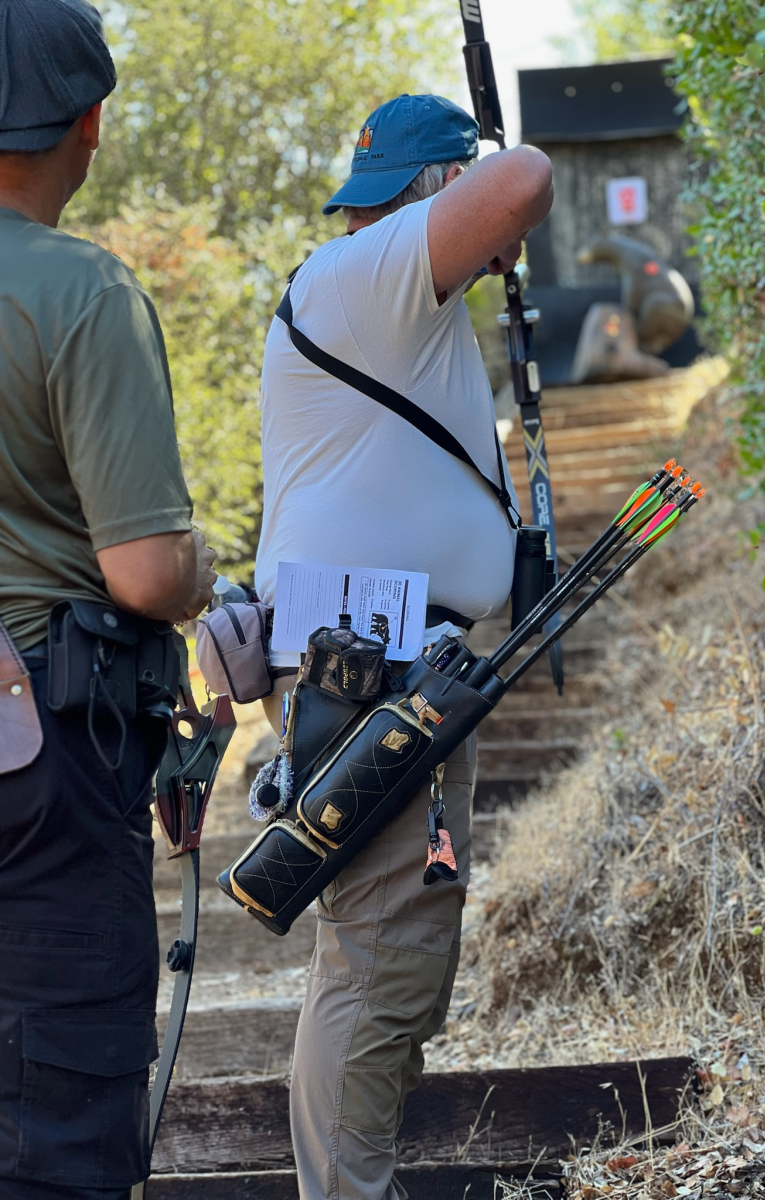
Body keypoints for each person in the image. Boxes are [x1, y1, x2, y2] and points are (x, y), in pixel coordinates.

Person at [254, 93, 553, 1199]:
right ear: (438, 191)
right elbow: (524, 178)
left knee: (396, 962)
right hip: (372, 667)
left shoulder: (375, 292)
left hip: (392, 662)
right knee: (378, 961)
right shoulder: (369, 275)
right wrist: (487, 195)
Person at [0, 3, 216, 1197]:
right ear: (89, 122)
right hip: (43, 751)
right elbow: (144, 573)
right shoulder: (81, 291)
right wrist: (202, 568)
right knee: (61, 1113)